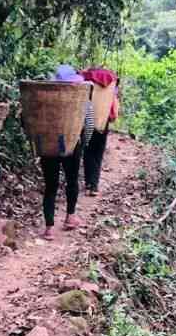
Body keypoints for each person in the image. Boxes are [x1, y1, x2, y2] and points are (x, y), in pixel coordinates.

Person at [40, 64, 93, 240]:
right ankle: (70, 217)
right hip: (71, 145)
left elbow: (29, 120)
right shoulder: (80, 98)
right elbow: (89, 124)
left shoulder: (43, 98)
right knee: (72, 181)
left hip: (48, 146)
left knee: (50, 186)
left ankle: (49, 228)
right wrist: (82, 143)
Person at [81, 67, 119, 196]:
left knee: (88, 152)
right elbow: (113, 112)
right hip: (104, 123)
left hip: (87, 122)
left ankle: (88, 184)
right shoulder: (110, 88)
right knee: (98, 153)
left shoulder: (87, 81)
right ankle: (94, 185)